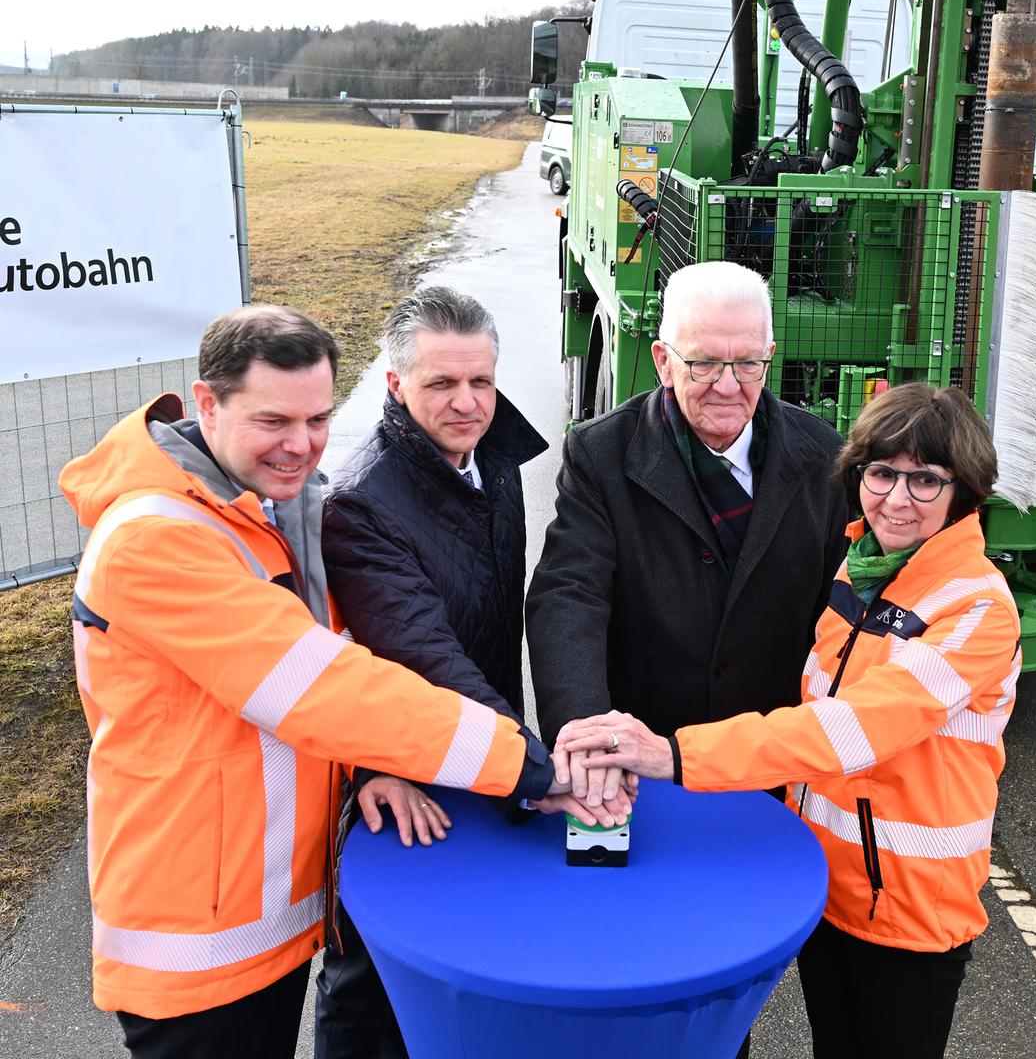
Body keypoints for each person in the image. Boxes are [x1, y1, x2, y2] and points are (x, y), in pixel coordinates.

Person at [59, 304, 559, 1059]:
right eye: (273, 422)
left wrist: (368, 768)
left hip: (267, 910)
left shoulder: (260, 509)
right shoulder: (157, 542)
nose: (301, 446)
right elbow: (322, 689)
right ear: (206, 404)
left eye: (318, 418)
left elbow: (337, 655)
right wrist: (521, 763)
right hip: (199, 939)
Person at [557, 382, 1022, 1059]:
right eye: (882, 473)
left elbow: (850, 730)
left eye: (925, 481)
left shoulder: (976, 610)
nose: (896, 499)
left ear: (965, 492)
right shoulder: (863, 569)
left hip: (909, 910)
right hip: (827, 888)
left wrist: (675, 756)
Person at [313, 286, 628, 1058]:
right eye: (441, 384)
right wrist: (538, 770)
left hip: (485, 752)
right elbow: (427, 657)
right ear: (395, 384)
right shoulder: (363, 505)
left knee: (470, 962)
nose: (467, 403)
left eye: (481, 381)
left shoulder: (490, 456)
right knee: (374, 974)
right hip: (406, 774)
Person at [525, 259, 849, 794]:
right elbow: (569, 596)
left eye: (747, 364)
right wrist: (587, 740)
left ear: (769, 358)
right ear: (662, 361)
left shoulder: (825, 460)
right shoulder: (600, 454)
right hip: (639, 770)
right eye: (702, 364)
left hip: (772, 773)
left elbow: (841, 624)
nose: (727, 386)